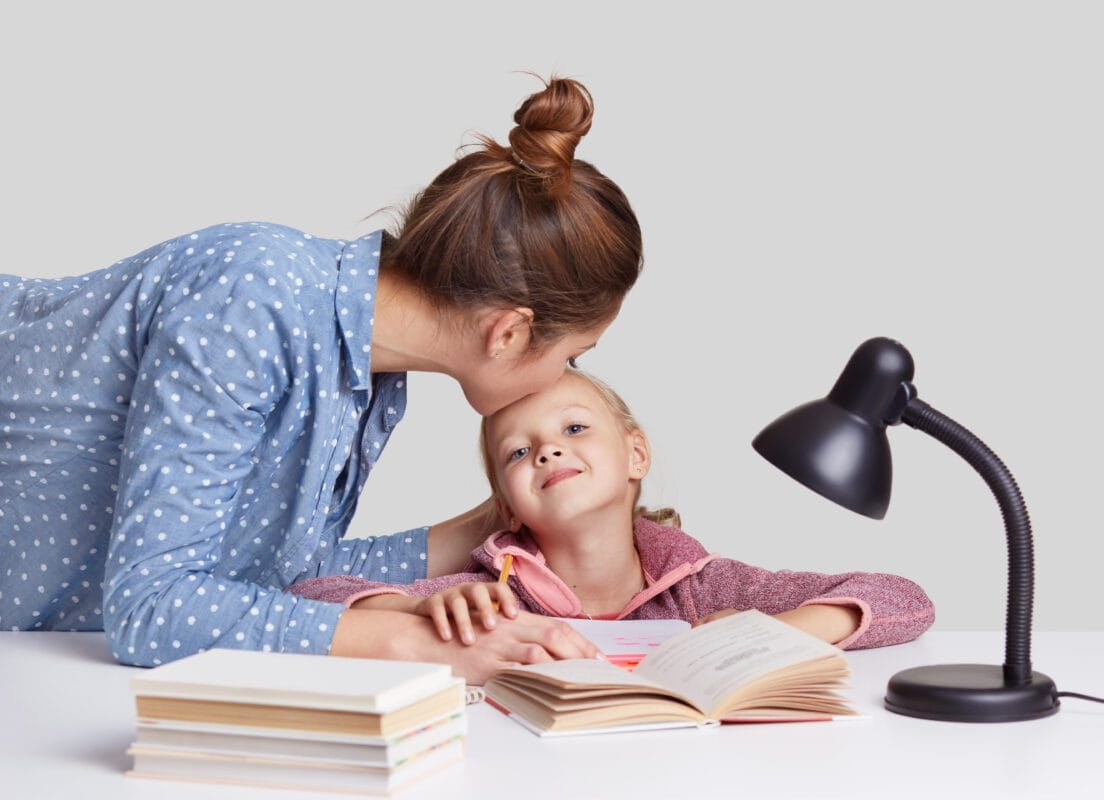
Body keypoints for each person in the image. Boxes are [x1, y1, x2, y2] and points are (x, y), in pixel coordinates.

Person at [0, 77, 640, 677]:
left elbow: (266, 575)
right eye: (573, 353)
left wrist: (489, 527)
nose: (567, 375)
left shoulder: (368, 378)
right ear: (509, 333)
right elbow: (152, 609)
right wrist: (417, 646)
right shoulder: (251, 296)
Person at [289, 370, 936, 681]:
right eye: (518, 451)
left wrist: (777, 630)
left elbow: (907, 601)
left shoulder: (706, 587)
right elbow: (300, 596)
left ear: (636, 455)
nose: (547, 450)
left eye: (574, 428)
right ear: (507, 505)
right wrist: (415, 611)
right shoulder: (490, 602)